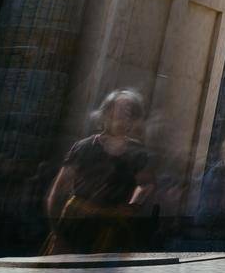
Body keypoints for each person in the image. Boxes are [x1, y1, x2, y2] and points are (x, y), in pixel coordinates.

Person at [43, 88, 155, 254]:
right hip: (76, 224)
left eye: (130, 111)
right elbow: (59, 189)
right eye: (121, 109)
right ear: (107, 113)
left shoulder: (137, 152)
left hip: (113, 227)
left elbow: (146, 184)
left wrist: (133, 205)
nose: (125, 114)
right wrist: (57, 229)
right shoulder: (84, 147)